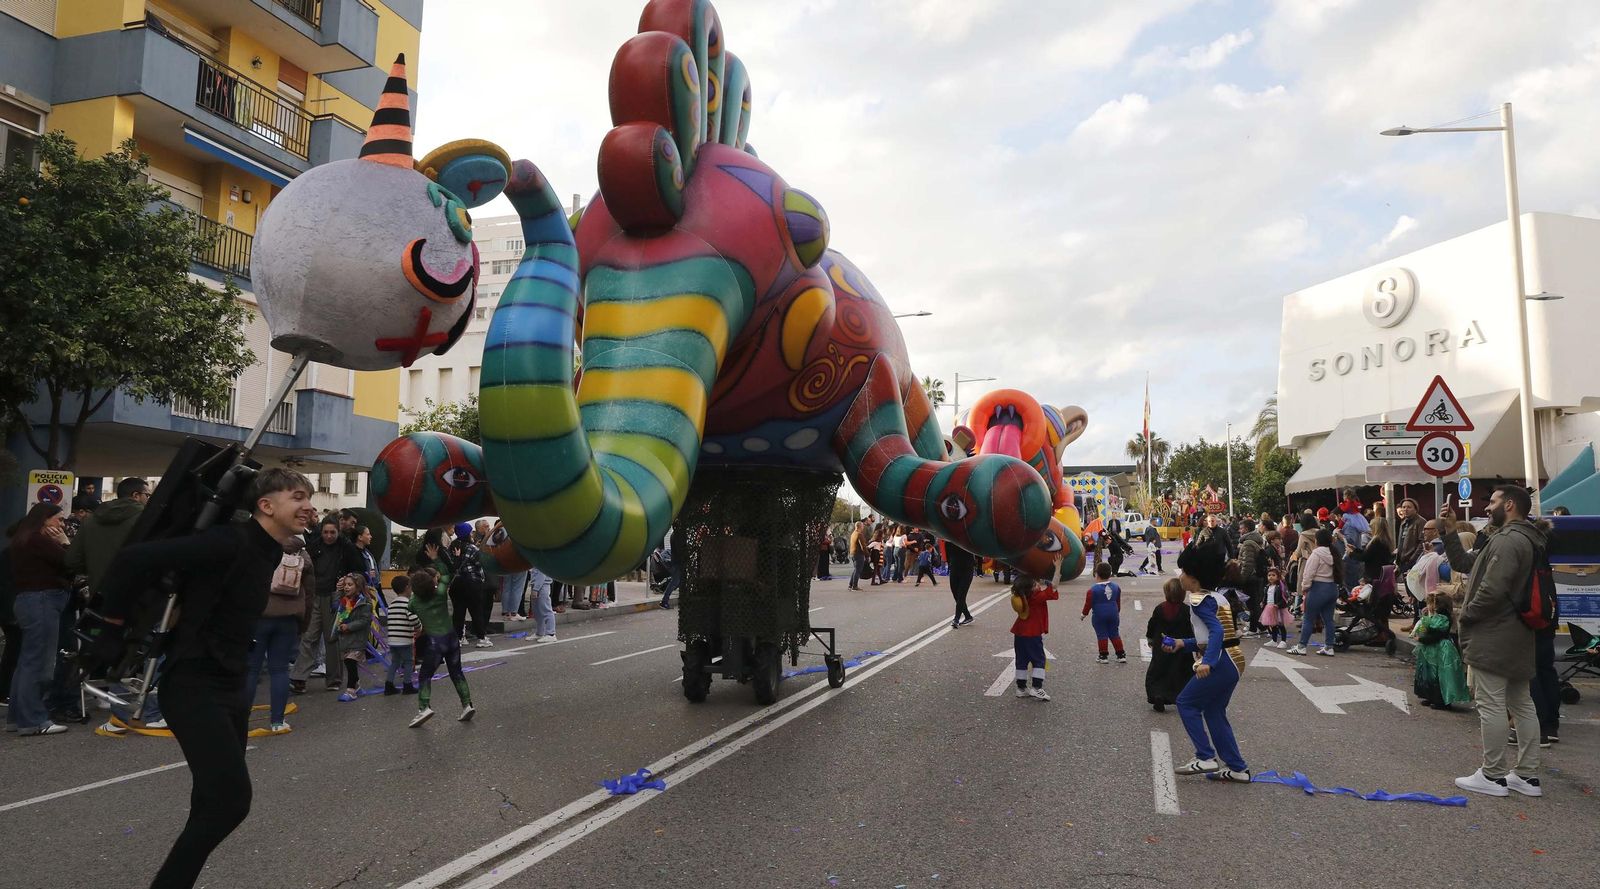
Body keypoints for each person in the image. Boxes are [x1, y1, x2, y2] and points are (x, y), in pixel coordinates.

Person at [95, 467, 312, 888]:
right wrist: (111, 627)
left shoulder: (270, 547)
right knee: (231, 802)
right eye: (298, 496)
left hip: (231, 683)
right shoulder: (229, 542)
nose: (308, 505)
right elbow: (131, 560)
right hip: (193, 684)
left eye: (308, 496)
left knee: (211, 801)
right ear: (266, 506)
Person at [1440, 487, 1545, 798]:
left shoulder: (1508, 540)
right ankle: (1526, 776)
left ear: (1509, 505)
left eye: (1493, 502)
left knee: (1491, 704)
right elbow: (1464, 563)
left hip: (1496, 631)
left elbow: (1492, 588)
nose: (1487, 508)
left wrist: (1468, 615)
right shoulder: (1521, 537)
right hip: (1517, 632)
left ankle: (1493, 774)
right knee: (1521, 703)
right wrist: (1449, 532)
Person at [1171, 534, 1250, 782]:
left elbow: (1215, 632)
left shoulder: (1197, 600)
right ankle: (1237, 768)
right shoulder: (1218, 597)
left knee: (1185, 702)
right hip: (1234, 659)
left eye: (1183, 572)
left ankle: (1205, 757)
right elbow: (1218, 635)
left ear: (1193, 578)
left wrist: (1208, 662)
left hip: (1222, 660)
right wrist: (1183, 644)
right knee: (1214, 711)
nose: (1179, 576)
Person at [5, 503, 72, 736]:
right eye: (58, 519)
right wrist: (64, 541)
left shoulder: (22, 539)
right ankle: (34, 719)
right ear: (45, 519)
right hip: (43, 600)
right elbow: (71, 562)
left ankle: (18, 717)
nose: (61, 524)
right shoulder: (38, 540)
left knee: (27, 662)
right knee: (40, 663)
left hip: (28, 601)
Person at [241, 536, 314, 735]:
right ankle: (277, 721)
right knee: (280, 670)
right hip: (288, 619)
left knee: (251, 670)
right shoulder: (303, 557)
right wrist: (303, 623)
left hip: (259, 616)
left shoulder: (260, 548)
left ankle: (240, 720)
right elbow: (309, 594)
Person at [290, 519, 364, 694]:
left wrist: (347, 580)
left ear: (338, 532)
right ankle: (299, 678)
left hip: (335, 596)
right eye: (326, 532)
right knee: (309, 636)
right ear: (321, 532)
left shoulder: (346, 548)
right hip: (314, 594)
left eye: (332, 532)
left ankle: (334, 679)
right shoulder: (314, 546)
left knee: (332, 638)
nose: (329, 536)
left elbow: (359, 571)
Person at [408, 569, 474, 727]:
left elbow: (410, 608)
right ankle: (467, 705)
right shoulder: (441, 595)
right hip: (452, 639)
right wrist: (436, 557)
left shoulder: (414, 603)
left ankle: (424, 707)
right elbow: (445, 575)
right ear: (432, 583)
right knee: (457, 672)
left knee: (425, 675)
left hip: (435, 643)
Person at [1412, 591, 1469, 710]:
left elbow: (1436, 634)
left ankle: (1441, 700)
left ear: (1437, 605)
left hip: (1440, 648)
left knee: (1440, 675)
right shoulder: (1433, 616)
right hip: (1430, 648)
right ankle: (1430, 696)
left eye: (1430, 603)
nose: (1428, 606)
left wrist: (1422, 638)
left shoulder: (1443, 618)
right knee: (1429, 673)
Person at [1289, 528, 1341, 657]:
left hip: (1318, 588)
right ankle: (1329, 646)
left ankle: (1302, 646)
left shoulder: (1316, 554)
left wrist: (1305, 587)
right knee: (1329, 620)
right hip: (1332, 588)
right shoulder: (1334, 553)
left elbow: (1308, 573)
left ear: (1317, 540)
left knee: (1308, 618)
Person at [1145, 578, 1194, 712]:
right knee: (1182, 672)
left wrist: (1150, 638)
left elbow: (1152, 624)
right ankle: (1182, 696)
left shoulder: (1160, 608)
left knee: (1158, 671)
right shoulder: (1186, 610)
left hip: (1161, 646)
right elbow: (1191, 628)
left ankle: (1158, 694)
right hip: (1181, 646)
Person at [1009, 575, 1058, 701]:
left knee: (1021, 660)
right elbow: (1054, 587)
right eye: (1036, 584)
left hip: (1019, 632)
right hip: (1032, 633)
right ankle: (1036, 687)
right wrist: (1057, 569)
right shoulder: (1037, 597)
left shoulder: (1022, 598)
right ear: (1031, 589)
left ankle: (1021, 688)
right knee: (1039, 660)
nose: (1038, 585)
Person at [447, 523, 491, 647]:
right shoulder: (472, 548)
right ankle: (481, 638)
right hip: (472, 582)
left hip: (457, 583)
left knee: (459, 612)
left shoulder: (452, 546)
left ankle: (459, 637)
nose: (472, 534)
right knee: (476, 611)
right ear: (467, 534)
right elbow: (480, 563)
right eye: (470, 532)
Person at [332, 574, 373, 701]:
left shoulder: (364, 602)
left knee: (350, 663)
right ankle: (357, 686)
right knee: (349, 664)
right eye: (345, 585)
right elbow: (334, 606)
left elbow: (365, 620)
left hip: (357, 639)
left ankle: (350, 690)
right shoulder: (344, 601)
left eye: (350, 585)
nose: (346, 587)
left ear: (358, 587)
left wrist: (349, 626)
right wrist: (338, 591)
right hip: (345, 639)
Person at [1080, 562, 1126, 664]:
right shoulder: (1116, 587)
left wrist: (1084, 614)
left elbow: (1088, 604)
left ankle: (1103, 656)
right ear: (1109, 574)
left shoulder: (1092, 590)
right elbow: (1117, 601)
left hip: (1099, 615)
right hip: (1113, 613)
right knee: (1114, 633)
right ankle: (1121, 654)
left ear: (1096, 574)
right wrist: (1117, 611)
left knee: (1102, 634)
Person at [384, 574, 420, 695]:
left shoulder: (392, 604)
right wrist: (419, 627)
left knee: (395, 662)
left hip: (393, 640)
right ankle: (407, 685)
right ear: (407, 587)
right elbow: (413, 619)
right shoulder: (408, 604)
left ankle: (388, 685)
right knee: (409, 662)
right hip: (404, 640)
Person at [1236, 519, 1266, 636]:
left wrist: (1241, 579)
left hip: (1251, 578)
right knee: (1254, 603)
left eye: (1241, 528)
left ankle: (1254, 628)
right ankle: (1260, 626)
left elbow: (1247, 564)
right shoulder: (1256, 540)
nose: (1240, 530)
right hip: (1257, 577)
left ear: (1247, 529)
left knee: (1252, 604)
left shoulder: (1248, 543)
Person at [945, 542, 976, 629]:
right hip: (954, 568)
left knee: (961, 595)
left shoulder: (967, 538)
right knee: (956, 594)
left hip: (967, 569)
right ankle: (968, 616)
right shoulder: (949, 540)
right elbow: (948, 555)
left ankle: (956, 619)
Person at [1259, 566, 1291, 647]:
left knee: (1281, 625)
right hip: (1269, 608)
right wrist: (1263, 602)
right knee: (1273, 625)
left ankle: (1283, 641)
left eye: (1273, 575)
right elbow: (1265, 597)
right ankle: (1274, 640)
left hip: (1278, 608)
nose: (1271, 577)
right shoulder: (1267, 587)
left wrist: (1278, 605)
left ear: (1278, 576)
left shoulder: (1280, 587)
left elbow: (1284, 598)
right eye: (1269, 575)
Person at [528, 565, 557, 643]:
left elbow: (541, 574)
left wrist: (536, 588)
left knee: (545, 609)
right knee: (537, 611)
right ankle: (540, 632)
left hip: (542, 586)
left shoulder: (541, 560)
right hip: (537, 585)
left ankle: (551, 634)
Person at [847, 520, 869, 591]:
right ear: (860, 526)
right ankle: (854, 586)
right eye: (862, 526)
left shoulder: (853, 533)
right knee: (858, 570)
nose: (863, 527)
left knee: (855, 569)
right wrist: (867, 555)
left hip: (853, 553)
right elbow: (863, 546)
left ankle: (850, 585)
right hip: (858, 554)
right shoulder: (859, 534)